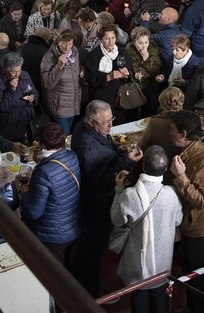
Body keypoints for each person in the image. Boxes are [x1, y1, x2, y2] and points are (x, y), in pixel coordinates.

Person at [70, 100, 144, 298]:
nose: (111, 125)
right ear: (91, 122)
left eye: (111, 119)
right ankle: (91, 291)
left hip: (92, 200)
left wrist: (117, 152)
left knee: (88, 245)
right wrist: (126, 162)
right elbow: (102, 182)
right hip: (98, 204)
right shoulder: (90, 150)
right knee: (94, 249)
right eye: (105, 123)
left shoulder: (81, 126)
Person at [110, 145, 183, 313]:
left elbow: (115, 218)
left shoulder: (130, 195)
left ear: (143, 166)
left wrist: (118, 190)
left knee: (138, 295)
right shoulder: (171, 194)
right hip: (162, 258)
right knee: (159, 294)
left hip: (137, 259)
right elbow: (178, 220)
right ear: (165, 168)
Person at [169, 110, 204, 313]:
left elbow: (201, 200)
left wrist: (181, 177)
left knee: (201, 282)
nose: (169, 133)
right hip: (191, 226)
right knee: (190, 273)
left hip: (203, 231)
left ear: (183, 134)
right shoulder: (188, 151)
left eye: (172, 130)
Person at [21, 123, 82, 270]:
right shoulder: (72, 156)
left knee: (55, 274)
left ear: (42, 145)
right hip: (73, 225)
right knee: (66, 265)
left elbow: (34, 212)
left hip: (53, 232)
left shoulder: (43, 173)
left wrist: (24, 193)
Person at [84, 26, 133, 118]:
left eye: (113, 38)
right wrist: (109, 77)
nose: (110, 41)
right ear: (101, 39)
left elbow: (131, 72)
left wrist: (127, 72)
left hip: (119, 98)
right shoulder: (94, 55)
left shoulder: (122, 52)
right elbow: (90, 78)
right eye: (107, 38)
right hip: (101, 98)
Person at [41, 30, 84, 134]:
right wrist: (59, 67)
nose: (66, 47)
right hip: (59, 105)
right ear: (57, 41)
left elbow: (75, 71)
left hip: (73, 103)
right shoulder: (49, 57)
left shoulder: (75, 52)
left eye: (70, 43)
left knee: (69, 136)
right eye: (64, 43)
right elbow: (47, 84)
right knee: (64, 137)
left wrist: (82, 70)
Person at [0, 52, 38, 142]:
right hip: (11, 123)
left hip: (29, 120)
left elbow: (35, 92)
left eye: (19, 70)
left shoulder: (25, 75)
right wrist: (12, 90)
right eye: (14, 71)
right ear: (5, 70)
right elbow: (2, 107)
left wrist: (33, 98)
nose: (17, 75)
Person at [126, 26, 165, 116]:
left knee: (149, 112)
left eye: (146, 42)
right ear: (134, 43)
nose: (144, 46)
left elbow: (157, 71)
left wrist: (147, 60)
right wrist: (134, 75)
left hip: (149, 86)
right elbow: (127, 68)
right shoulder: (129, 50)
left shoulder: (153, 49)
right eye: (140, 43)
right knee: (132, 114)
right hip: (134, 86)